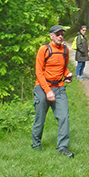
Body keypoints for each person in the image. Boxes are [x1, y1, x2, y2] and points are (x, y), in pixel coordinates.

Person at [33, 24, 74, 157]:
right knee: (40, 117)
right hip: (42, 87)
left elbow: (64, 68)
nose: (60, 36)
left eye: (62, 34)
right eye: (58, 34)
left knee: (64, 117)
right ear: (51, 36)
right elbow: (38, 72)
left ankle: (62, 147)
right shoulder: (44, 49)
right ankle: (36, 145)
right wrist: (48, 91)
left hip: (59, 88)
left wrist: (68, 75)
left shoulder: (65, 50)